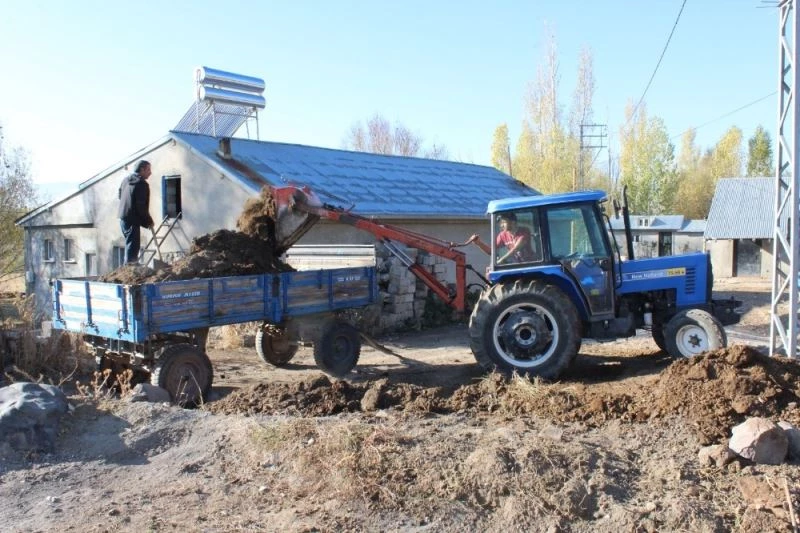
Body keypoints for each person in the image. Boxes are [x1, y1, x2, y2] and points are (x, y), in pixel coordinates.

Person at [118, 160, 155, 264]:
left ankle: (130, 266)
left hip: (123, 218)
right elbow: (141, 206)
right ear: (142, 170)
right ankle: (131, 269)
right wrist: (149, 221)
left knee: (130, 243)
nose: (150, 172)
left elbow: (120, 196)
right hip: (132, 219)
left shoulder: (125, 180)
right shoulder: (141, 184)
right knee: (133, 245)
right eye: (148, 170)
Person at [466, 212, 537, 264]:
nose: (501, 225)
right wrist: (479, 243)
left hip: (530, 264)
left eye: (503, 222)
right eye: (500, 223)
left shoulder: (524, 231)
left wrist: (501, 261)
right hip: (516, 264)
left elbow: (515, 249)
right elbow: (492, 251)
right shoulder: (503, 235)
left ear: (513, 222)